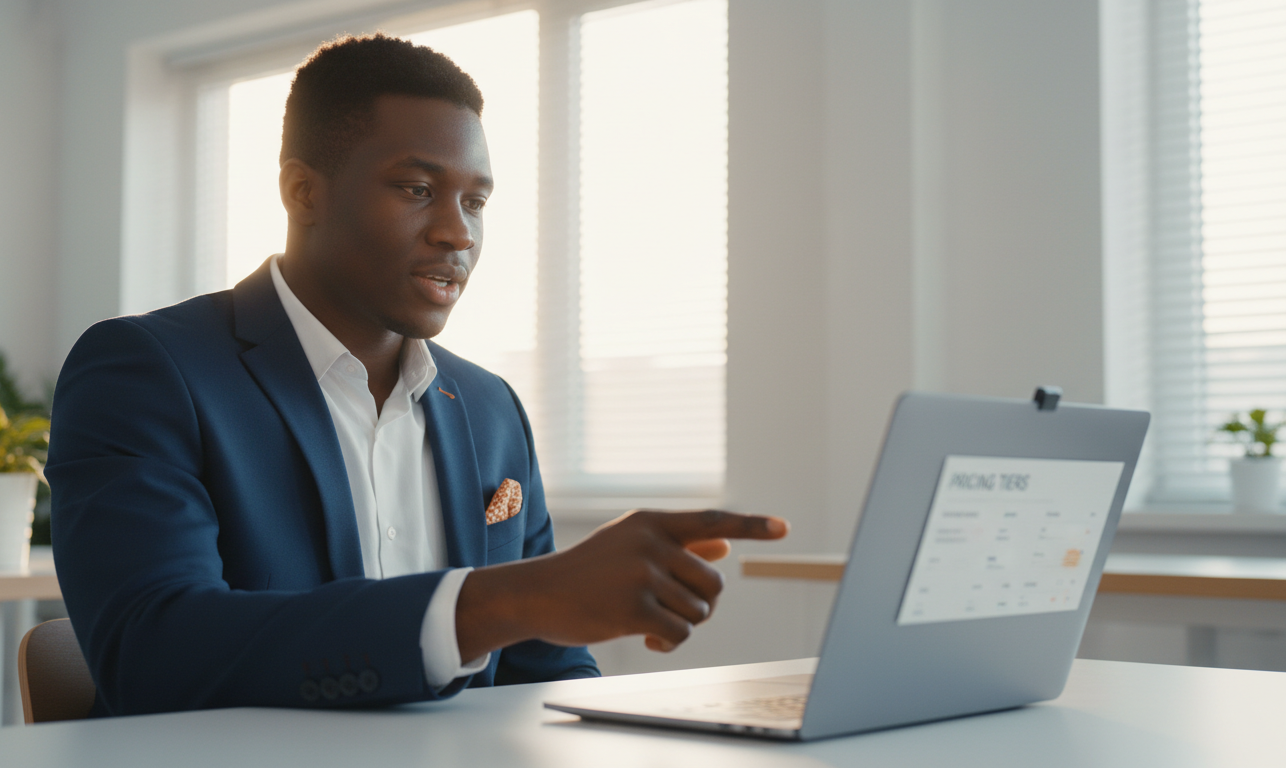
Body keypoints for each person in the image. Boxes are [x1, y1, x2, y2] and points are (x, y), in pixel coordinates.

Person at [47, 34, 787, 717]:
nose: (457, 232)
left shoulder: (490, 408)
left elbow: (545, 677)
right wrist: (498, 602)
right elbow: (153, 650)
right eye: (416, 189)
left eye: (475, 201)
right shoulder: (147, 371)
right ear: (303, 193)